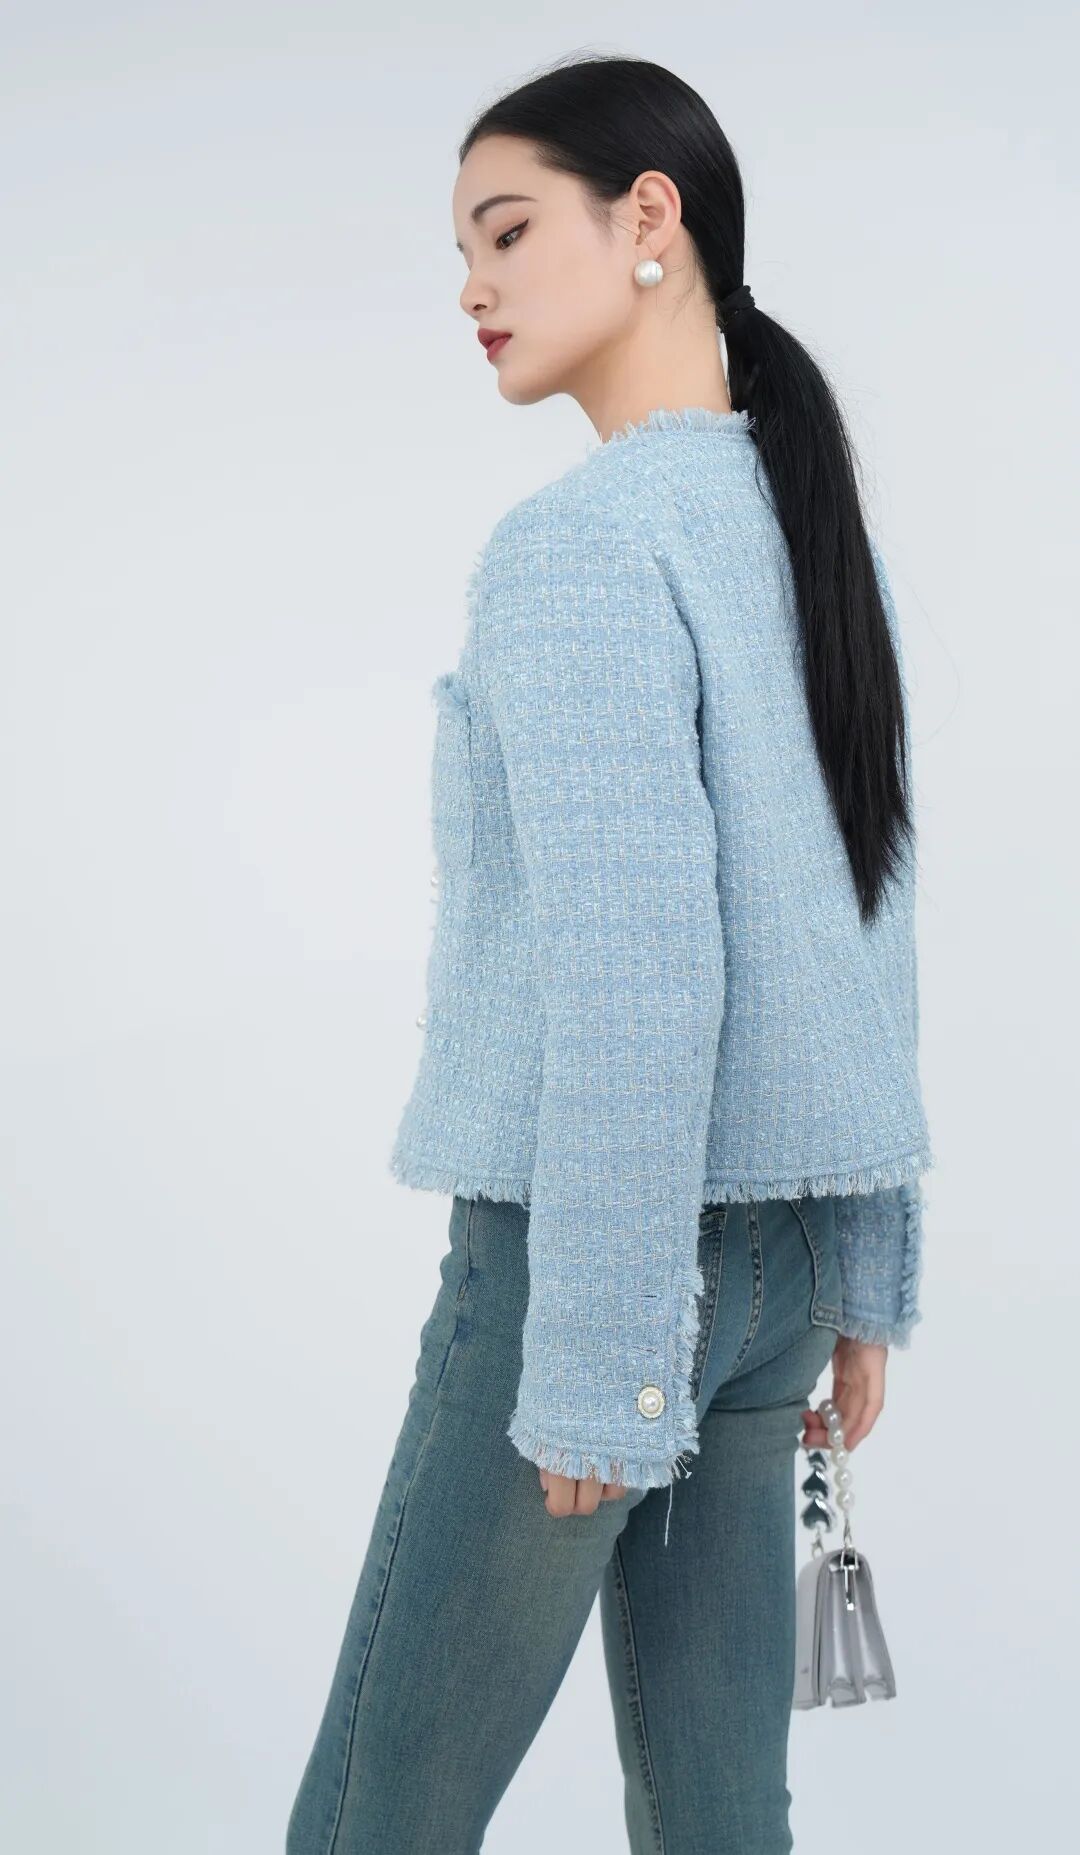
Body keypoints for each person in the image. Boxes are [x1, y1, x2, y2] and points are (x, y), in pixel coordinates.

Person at [287, 51, 933, 1855]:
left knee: (377, 1820)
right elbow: (872, 914)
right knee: (720, 1819)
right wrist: (861, 1264)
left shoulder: (579, 551)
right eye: (462, 251)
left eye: (506, 232)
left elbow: (641, 981)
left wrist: (592, 1355)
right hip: (776, 1264)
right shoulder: (813, 528)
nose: (472, 287)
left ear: (651, 219)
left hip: (591, 1261)